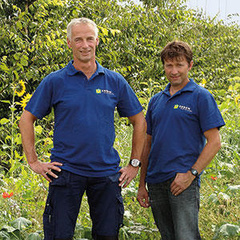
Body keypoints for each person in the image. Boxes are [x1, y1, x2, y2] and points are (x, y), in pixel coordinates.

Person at [19, 17, 146, 240]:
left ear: (97, 41)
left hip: (106, 173)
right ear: (69, 43)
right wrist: (33, 162)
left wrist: (134, 163)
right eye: (78, 40)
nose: (84, 45)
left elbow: (139, 121)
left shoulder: (114, 81)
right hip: (65, 172)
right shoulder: (55, 81)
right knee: (58, 235)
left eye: (89, 39)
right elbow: (26, 119)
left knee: (107, 235)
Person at [137, 40, 225, 240]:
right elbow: (147, 144)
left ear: (190, 65)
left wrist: (191, 174)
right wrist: (142, 184)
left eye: (179, 65)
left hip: (182, 181)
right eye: (169, 65)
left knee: (186, 236)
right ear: (164, 67)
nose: (174, 70)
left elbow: (215, 142)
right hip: (156, 181)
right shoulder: (156, 101)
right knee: (167, 236)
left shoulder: (201, 97)